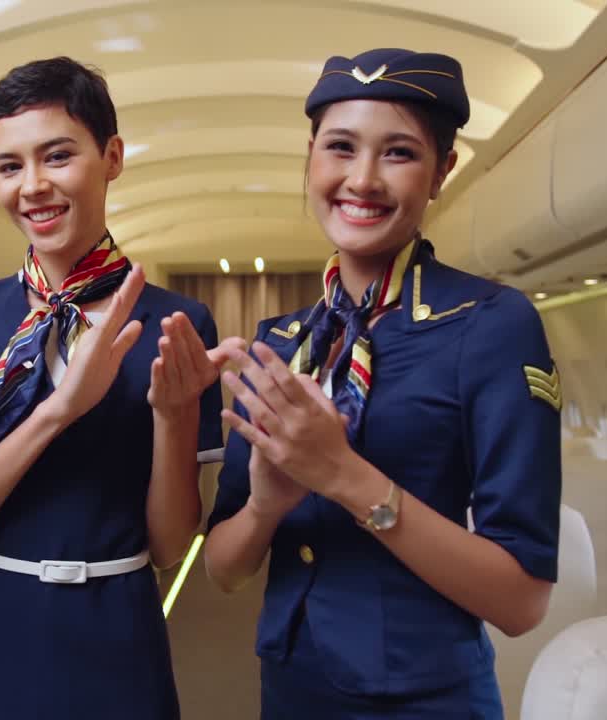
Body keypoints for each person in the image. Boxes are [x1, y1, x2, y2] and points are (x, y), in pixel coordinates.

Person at [203, 48, 562, 718]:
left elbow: (521, 602)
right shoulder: (282, 343)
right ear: (311, 157)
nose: (361, 179)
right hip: (289, 686)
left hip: (423, 699)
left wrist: (342, 475)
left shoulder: (490, 326)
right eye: (340, 148)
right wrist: (265, 507)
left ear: (440, 173)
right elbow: (224, 570)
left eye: (398, 153)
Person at [0, 57, 234, 719]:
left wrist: (173, 417)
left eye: (57, 157)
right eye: (9, 165)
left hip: (116, 629)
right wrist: (58, 412)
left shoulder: (174, 322)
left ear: (111, 157)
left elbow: (169, 547)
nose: (33, 187)